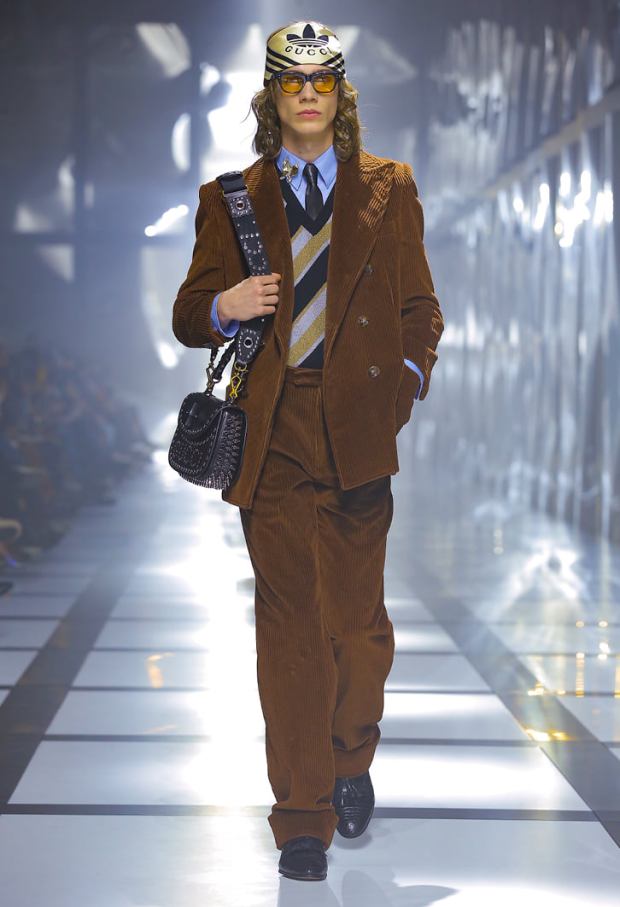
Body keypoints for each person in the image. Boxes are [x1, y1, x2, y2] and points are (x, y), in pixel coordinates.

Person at [172, 19, 445, 882]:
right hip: (275, 429)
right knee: (290, 627)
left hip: (361, 424)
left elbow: (421, 307)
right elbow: (187, 312)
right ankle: (301, 815)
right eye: (292, 81)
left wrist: (403, 383)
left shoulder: (390, 187)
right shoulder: (230, 199)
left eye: (322, 80)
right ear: (272, 94)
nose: (308, 95)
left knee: (358, 630)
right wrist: (224, 307)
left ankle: (349, 755)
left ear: (340, 92)